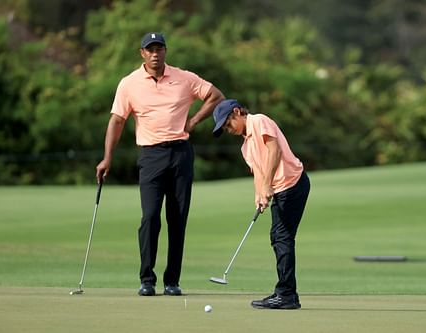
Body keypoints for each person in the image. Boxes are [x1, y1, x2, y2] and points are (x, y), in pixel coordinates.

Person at [96, 32, 224, 296]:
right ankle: (147, 279)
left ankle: (172, 281)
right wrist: (108, 156)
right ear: (142, 53)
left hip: (180, 154)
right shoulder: (129, 83)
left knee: (177, 219)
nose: (155, 53)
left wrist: (194, 121)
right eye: (150, 49)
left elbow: (216, 96)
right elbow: (117, 121)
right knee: (151, 217)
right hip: (151, 156)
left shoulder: (184, 78)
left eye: (159, 48)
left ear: (166, 51)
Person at [212, 99, 310, 309]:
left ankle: (286, 295)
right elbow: (258, 173)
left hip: (293, 184)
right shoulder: (245, 147)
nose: (229, 130)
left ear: (237, 112)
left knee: (282, 238)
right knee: (278, 237)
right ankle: (286, 293)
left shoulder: (259, 121)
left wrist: (267, 185)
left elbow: (274, 151)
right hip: (282, 189)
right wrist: (259, 194)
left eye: (228, 124)